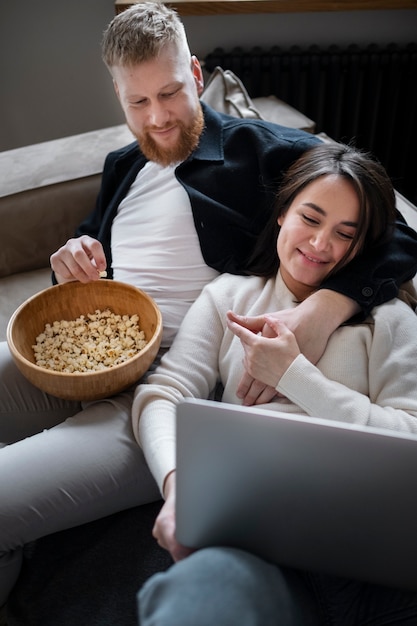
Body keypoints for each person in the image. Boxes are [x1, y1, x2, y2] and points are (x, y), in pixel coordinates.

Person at [0, 1, 416, 611]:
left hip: (170, 377)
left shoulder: (264, 151)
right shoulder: (122, 167)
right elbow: (92, 248)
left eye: (170, 93)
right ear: (117, 97)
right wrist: (76, 259)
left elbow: (389, 231)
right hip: (95, 353)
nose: (159, 117)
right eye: (137, 102)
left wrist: (316, 315)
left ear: (196, 75)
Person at [134, 142, 417, 626]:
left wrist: (293, 376)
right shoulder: (229, 295)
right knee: (197, 600)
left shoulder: (389, 319)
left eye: (345, 234)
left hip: (378, 551)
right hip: (256, 545)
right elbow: (164, 392)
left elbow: (410, 435)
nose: (321, 245)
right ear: (283, 213)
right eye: (310, 218)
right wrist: (179, 482)